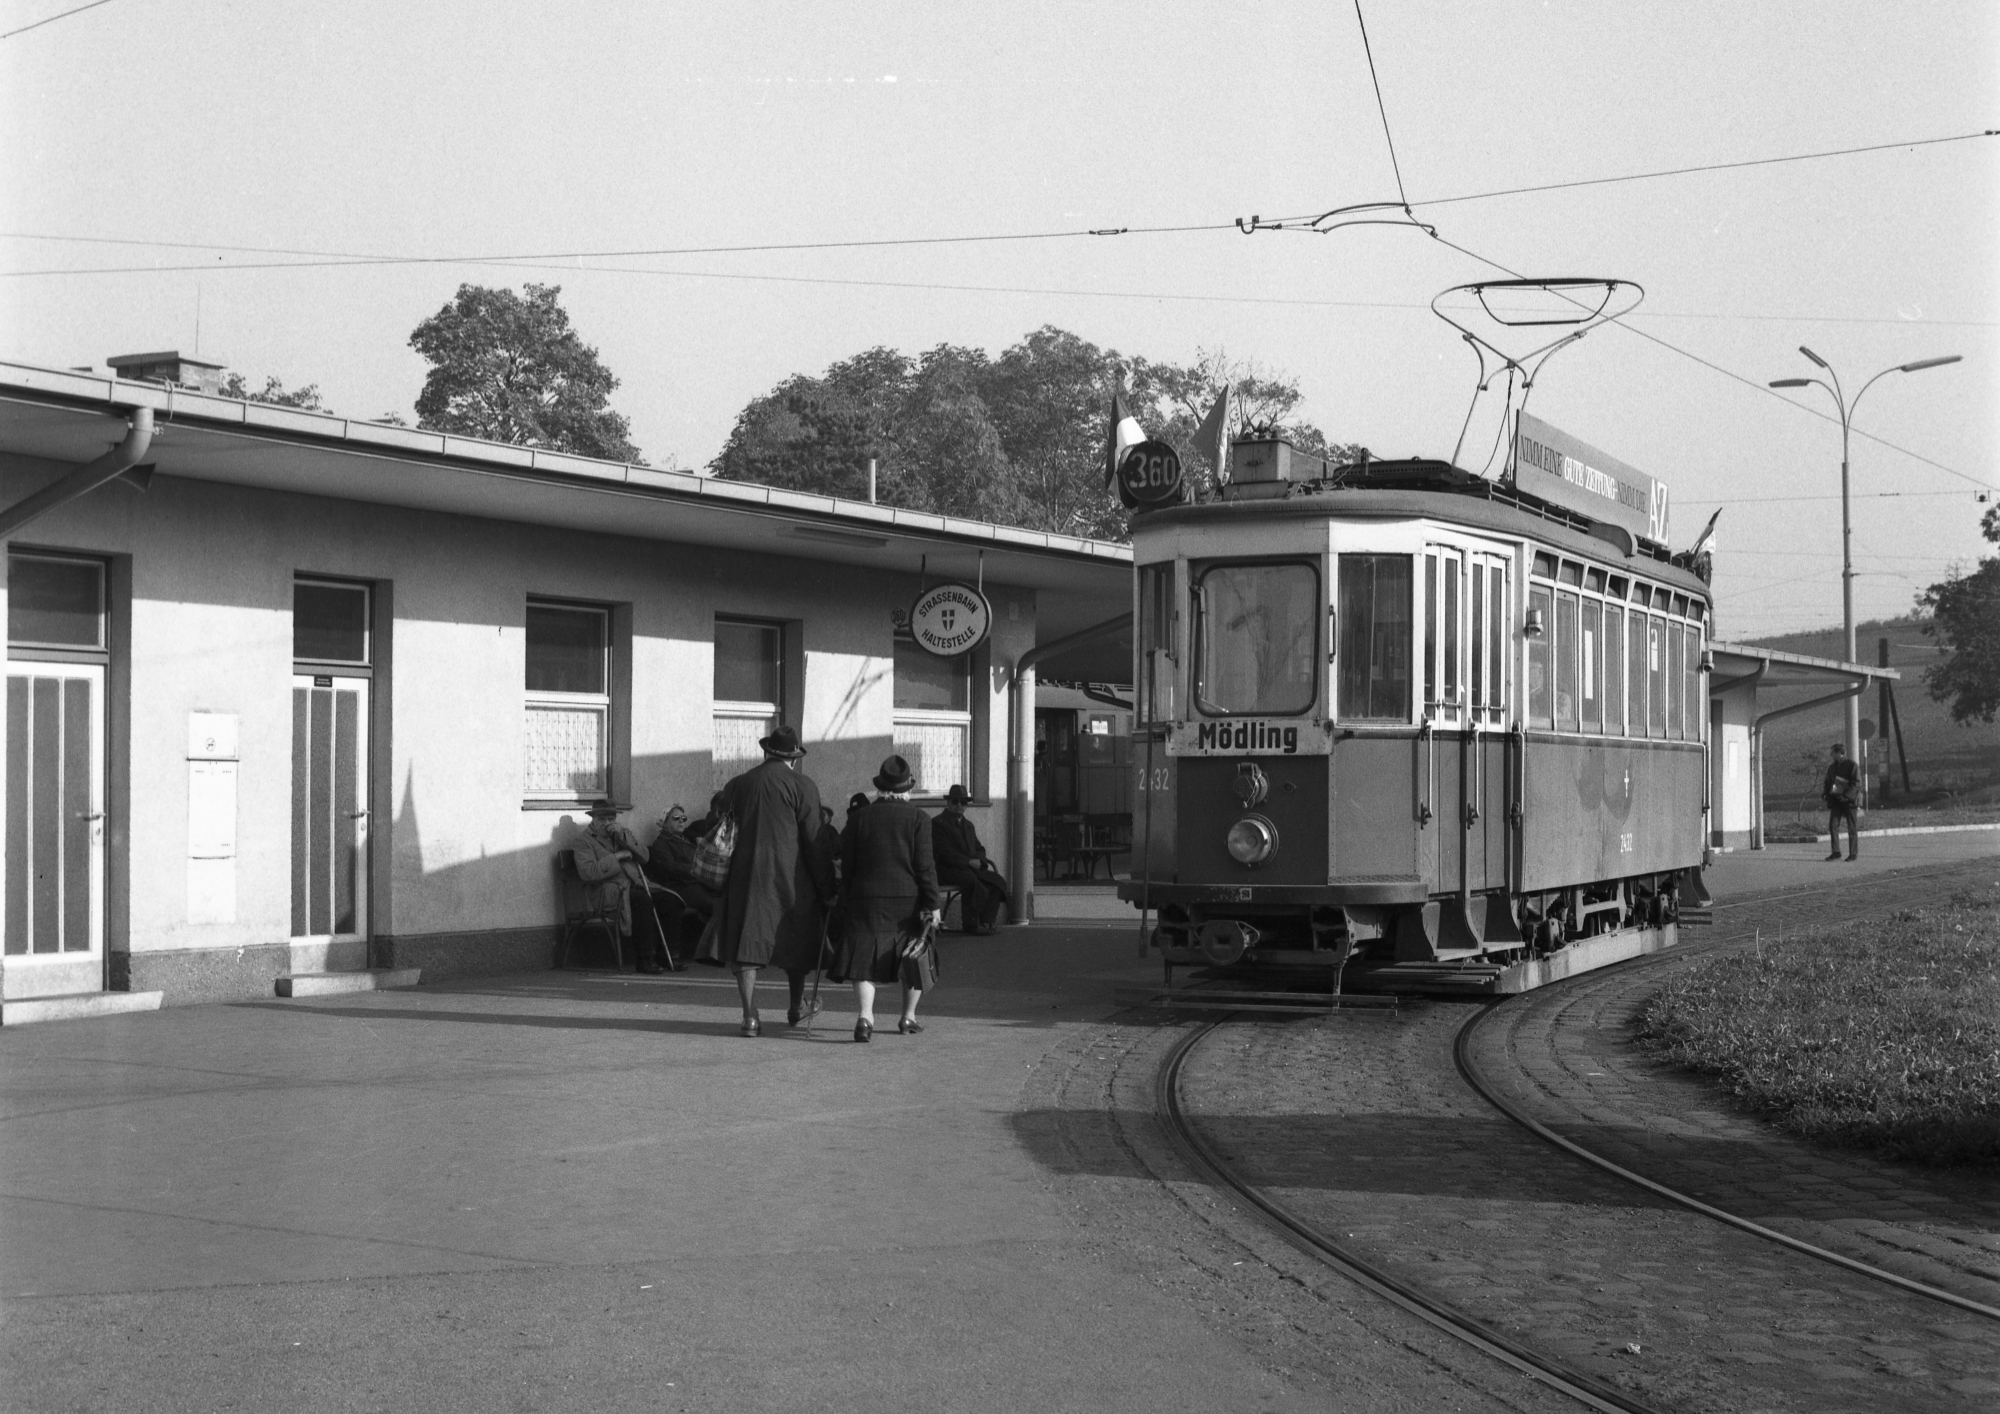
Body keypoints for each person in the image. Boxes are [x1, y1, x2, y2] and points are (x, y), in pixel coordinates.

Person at [716, 726, 836, 1035]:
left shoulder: (738, 784)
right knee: (795, 941)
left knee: (747, 944)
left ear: (766, 752)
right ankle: (796, 1007)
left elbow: (722, 822)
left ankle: (749, 1016)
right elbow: (814, 840)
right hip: (791, 877)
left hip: (746, 875)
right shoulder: (803, 785)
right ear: (794, 757)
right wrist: (827, 888)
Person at [832, 754, 941, 1041]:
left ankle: (865, 1018)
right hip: (908, 902)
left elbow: (849, 865)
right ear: (907, 789)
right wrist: (933, 904)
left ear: (881, 786)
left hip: (866, 898)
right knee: (913, 956)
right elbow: (925, 867)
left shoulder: (858, 818)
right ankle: (908, 1017)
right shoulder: (919, 819)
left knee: (863, 958)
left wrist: (850, 895)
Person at [570, 801, 676, 973]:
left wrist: (624, 838)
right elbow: (589, 872)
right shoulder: (583, 842)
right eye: (602, 819)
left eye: (611, 818)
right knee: (642, 900)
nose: (606, 823)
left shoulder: (622, 833)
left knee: (669, 899)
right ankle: (645, 960)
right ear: (593, 819)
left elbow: (645, 857)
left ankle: (668, 957)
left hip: (636, 884)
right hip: (608, 890)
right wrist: (617, 856)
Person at [931, 784, 1008, 934]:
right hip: (946, 870)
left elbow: (979, 848)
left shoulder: (968, 825)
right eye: (955, 802)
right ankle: (971, 924)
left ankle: (987, 921)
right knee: (971, 882)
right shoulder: (938, 823)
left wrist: (980, 861)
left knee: (997, 881)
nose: (959, 805)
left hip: (968, 869)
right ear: (948, 803)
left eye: (963, 802)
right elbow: (943, 852)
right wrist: (968, 862)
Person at [1821, 742, 1861, 862]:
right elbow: (1828, 782)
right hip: (1836, 800)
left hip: (1849, 801)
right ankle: (1836, 852)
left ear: (1840, 753)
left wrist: (1846, 796)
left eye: (1833, 752)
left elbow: (1856, 783)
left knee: (1851, 827)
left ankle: (1853, 853)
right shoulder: (1832, 767)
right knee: (1833, 825)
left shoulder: (1852, 765)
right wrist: (1826, 793)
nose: (1831, 754)